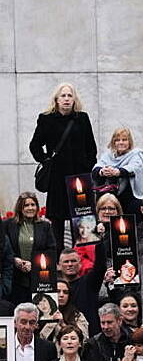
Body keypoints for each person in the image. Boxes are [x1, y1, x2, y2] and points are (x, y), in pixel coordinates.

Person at [29, 82, 97, 252]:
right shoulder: (46, 119)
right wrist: (46, 161)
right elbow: (35, 145)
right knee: (57, 220)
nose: (66, 99)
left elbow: (91, 148)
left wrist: (87, 168)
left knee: (82, 218)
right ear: (56, 100)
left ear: (74, 99)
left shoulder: (82, 118)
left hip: (79, 176)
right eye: (63, 96)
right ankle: (58, 260)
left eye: (70, 95)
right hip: (57, 177)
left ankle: (84, 259)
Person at [92, 127, 143, 217]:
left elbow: (134, 167)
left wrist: (118, 172)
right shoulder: (108, 155)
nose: (121, 142)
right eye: (117, 140)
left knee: (135, 207)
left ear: (129, 142)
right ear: (113, 143)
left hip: (133, 195)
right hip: (113, 194)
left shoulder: (137, 154)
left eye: (124, 140)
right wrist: (102, 171)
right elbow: (96, 169)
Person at [5, 191, 56, 305]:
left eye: (33, 205)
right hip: (15, 279)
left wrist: (34, 264)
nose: (30, 208)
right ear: (20, 208)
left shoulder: (45, 226)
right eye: (26, 205)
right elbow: (4, 248)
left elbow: (51, 250)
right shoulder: (8, 225)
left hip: (39, 278)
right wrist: (14, 260)